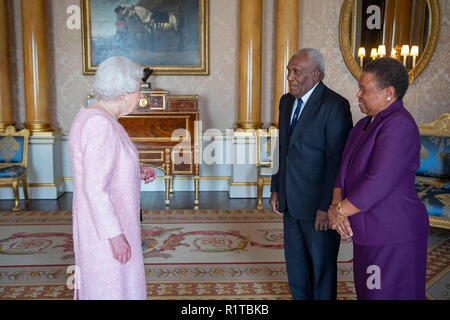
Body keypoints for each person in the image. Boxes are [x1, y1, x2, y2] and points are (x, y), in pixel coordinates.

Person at [327, 57, 429, 300]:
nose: (358, 94)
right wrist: (336, 204)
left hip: (393, 233)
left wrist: (339, 211)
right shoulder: (364, 123)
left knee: (383, 294)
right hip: (368, 229)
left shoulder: (399, 125)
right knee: (369, 292)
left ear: (388, 93)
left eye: (365, 89)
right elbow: (343, 171)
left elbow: (378, 182)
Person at [68, 56, 157, 300]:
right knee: (112, 288)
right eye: (138, 89)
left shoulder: (97, 117)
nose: (140, 95)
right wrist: (116, 237)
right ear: (122, 93)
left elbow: (99, 169)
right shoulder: (100, 125)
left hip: (104, 223)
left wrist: (134, 172)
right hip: (105, 231)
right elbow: (95, 187)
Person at [270, 48, 353, 300]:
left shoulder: (335, 106)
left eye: (296, 72)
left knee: (322, 265)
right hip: (290, 199)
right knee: (295, 262)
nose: (290, 77)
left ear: (316, 74)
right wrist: (276, 187)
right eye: (289, 71)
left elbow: (336, 162)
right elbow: (282, 148)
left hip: (319, 203)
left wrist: (327, 205)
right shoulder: (286, 102)